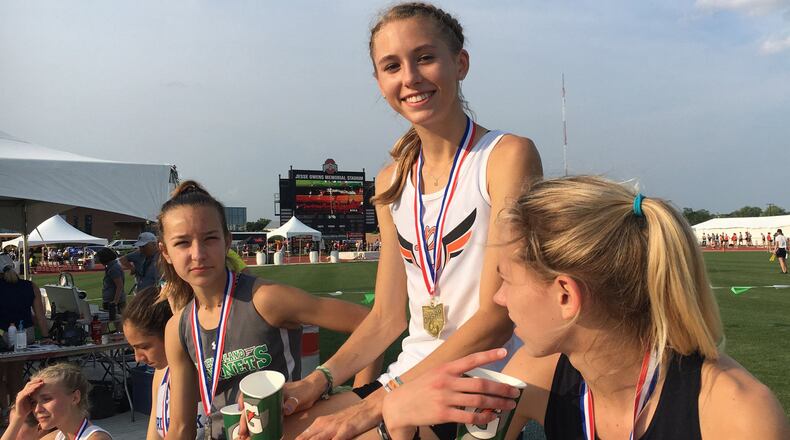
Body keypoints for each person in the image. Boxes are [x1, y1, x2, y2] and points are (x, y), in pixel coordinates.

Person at [284, 3, 542, 439]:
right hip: (408, 379)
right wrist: (317, 382)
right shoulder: (390, 183)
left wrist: (373, 409)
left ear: (460, 63)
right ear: (379, 81)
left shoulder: (505, 157)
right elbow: (387, 317)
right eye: (392, 66)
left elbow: (497, 316)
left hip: (484, 378)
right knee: (279, 427)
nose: (410, 78)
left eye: (425, 57)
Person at [379, 176, 790, 439]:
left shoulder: (737, 414)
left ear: (565, 297)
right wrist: (397, 421)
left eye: (506, 279)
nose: (498, 299)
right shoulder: (533, 376)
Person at [160, 180, 381, 439]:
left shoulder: (264, 299)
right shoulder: (177, 328)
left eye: (210, 238)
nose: (198, 253)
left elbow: (370, 323)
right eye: (183, 243)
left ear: (227, 241)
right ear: (165, 252)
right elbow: (180, 428)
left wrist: (360, 402)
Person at [122, 286, 210, 440]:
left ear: (170, 331)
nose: (137, 358)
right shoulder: (161, 373)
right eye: (133, 348)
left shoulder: (208, 370)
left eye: (144, 347)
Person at [0, 253, 51, 424]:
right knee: (15, 373)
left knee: (2, 376)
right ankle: (18, 412)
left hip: (3, 335)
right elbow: (40, 316)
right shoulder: (30, 286)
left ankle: (6, 413)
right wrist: (46, 336)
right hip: (25, 334)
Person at [0, 363, 112, 440]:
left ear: (75, 398)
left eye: (46, 399)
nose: (37, 409)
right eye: (33, 402)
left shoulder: (97, 438)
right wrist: (19, 417)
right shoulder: (57, 436)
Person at [95, 248, 125, 321]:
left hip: (113, 302)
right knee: (108, 321)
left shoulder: (113, 268)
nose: (98, 259)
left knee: (119, 323)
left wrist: (115, 302)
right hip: (111, 300)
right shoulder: (111, 267)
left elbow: (119, 285)